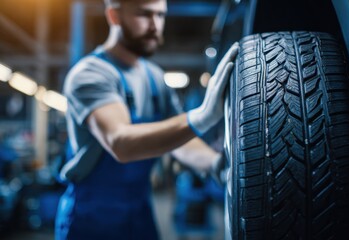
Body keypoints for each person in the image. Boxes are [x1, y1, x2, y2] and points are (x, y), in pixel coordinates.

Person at [55, 0, 239, 239]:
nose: (155, 25)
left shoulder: (154, 77)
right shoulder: (90, 74)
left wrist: (215, 164)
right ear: (114, 16)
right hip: (91, 219)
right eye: (145, 14)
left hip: (139, 214)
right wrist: (202, 116)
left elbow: (180, 139)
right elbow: (120, 143)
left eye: (160, 15)